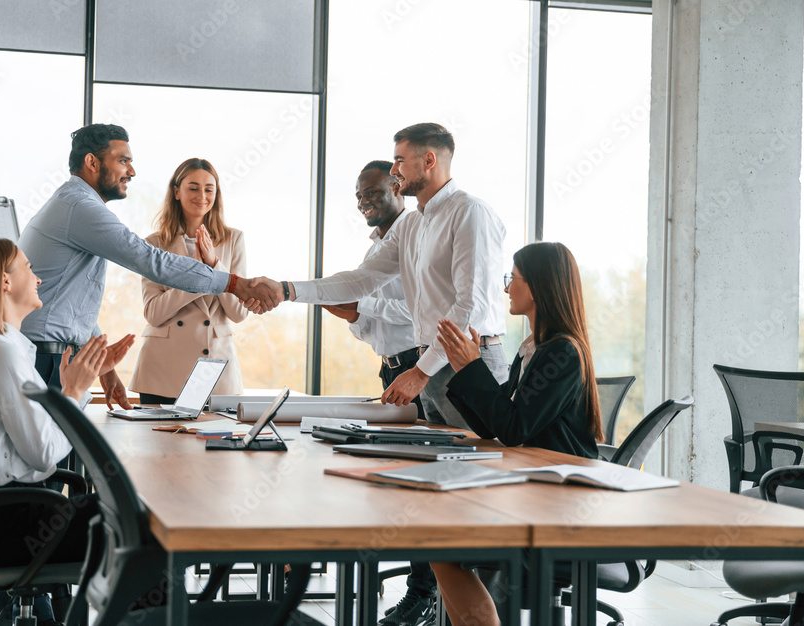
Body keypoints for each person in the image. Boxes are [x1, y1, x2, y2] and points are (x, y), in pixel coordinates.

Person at [255, 122, 510, 429]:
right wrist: (286, 290)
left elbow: (471, 307)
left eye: (400, 160)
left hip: (468, 362)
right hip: (431, 362)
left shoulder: (470, 212)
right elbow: (361, 280)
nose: (394, 169)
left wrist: (420, 372)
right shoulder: (412, 224)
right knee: (440, 463)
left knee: (485, 464)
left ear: (429, 161)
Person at [18, 124, 278, 408]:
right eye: (123, 161)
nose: (132, 171)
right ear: (91, 162)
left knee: (58, 448)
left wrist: (105, 367)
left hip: (54, 355)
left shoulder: (75, 204)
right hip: (46, 357)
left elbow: (72, 303)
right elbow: (151, 261)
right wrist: (232, 283)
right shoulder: (81, 208)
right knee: (48, 449)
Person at [0, 238, 129, 625]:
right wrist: (74, 391)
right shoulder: (2, 353)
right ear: (5, 282)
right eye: (28, 268)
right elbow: (45, 455)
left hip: (2, 519)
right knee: (141, 524)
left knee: (133, 515)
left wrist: (71, 390)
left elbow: (39, 438)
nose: (39, 279)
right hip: (7, 525)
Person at [430, 241, 602, 626]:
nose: (507, 287)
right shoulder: (535, 350)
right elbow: (495, 425)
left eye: (514, 279)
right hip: (535, 495)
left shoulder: (562, 354)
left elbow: (513, 429)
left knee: (439, 540)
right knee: (436, 538)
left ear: (539, 286)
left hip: (559, 511)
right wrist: (466, 369)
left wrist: (473, 367)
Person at [322, 160, 434, 626]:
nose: (363, 200)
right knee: (399, 485)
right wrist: (352, 316)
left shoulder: (411, 233)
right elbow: (375, 328)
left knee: (421, 488)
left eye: (371, 191)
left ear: (397, 186)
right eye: (358, 195)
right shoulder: (377, 246)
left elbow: (414, 310)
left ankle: (424, 593)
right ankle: (423, 587)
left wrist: (358, 301)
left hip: (419, 370)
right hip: (391, 370)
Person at [129, 158, 249, 404]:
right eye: (193, 187)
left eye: (209, 189)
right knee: (158, 442)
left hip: (216, 370)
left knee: (214, 442)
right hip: (162, 371)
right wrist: (196, 276)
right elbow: (153, 313)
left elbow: (239, 312)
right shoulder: (155, 243)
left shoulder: (233, 239)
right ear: (176, 191)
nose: (202, 195)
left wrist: (215, 267)